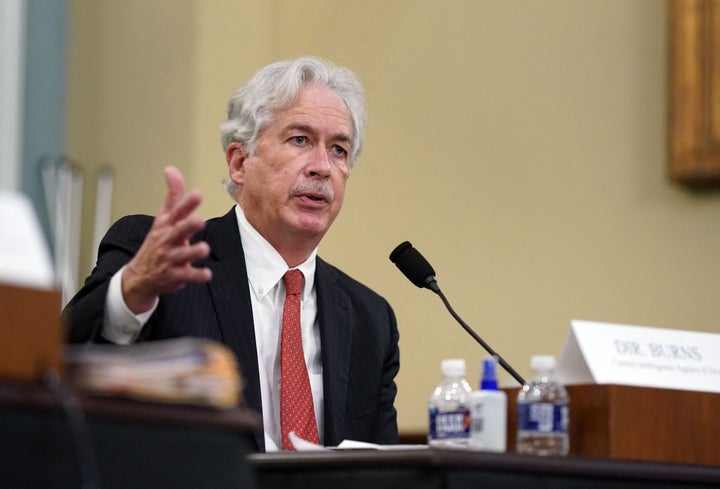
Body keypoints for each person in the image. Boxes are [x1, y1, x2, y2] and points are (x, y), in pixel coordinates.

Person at [64, 56, 400, 452]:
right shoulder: (162, 258)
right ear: (239, 162)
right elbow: (59, 364)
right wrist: (132, 293)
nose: (323, 167)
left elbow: (384, 470)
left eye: (339, 150)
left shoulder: (369, 320)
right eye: (300, 140)